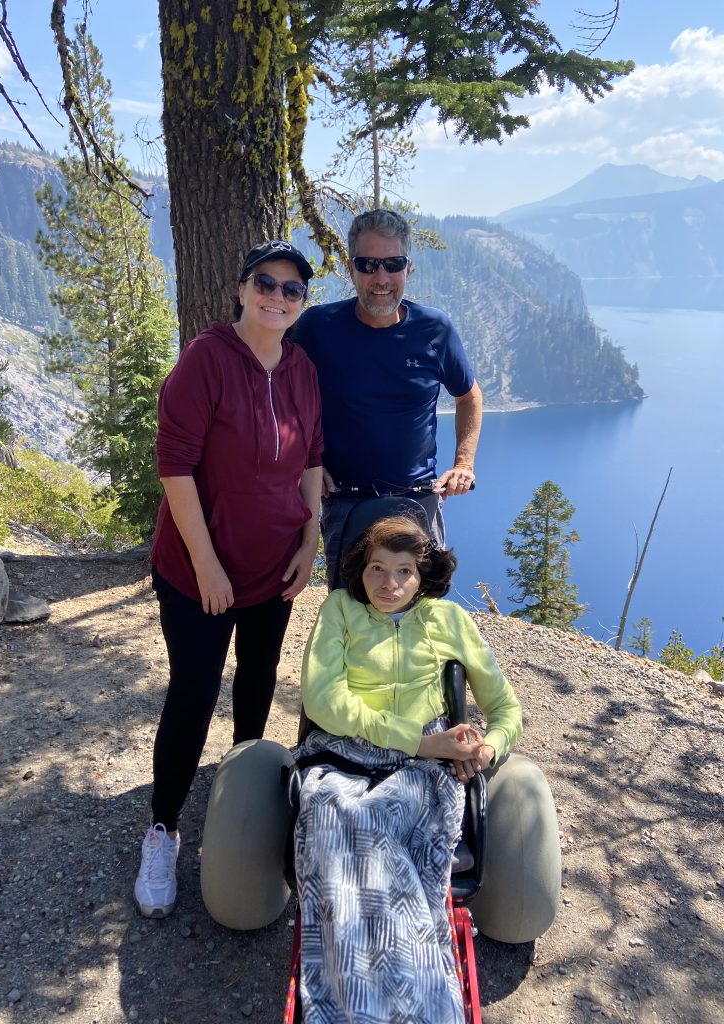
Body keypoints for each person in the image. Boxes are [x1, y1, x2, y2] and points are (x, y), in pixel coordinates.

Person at [134, 240, 323, 919]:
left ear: (303, 303)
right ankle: (163, 828)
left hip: (275, 564)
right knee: (192, 691)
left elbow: (312, 461)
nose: (278, 296)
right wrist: (207, 562)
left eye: (293, 289)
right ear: (242, 289)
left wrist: (311, 538)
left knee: (259, 679)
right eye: (266, 283)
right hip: (197, 573)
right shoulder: (206, 359)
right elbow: (175, 466)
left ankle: (242, 808)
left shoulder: (301, 368)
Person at [294, 515, 522, 1023]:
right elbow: (322, 699)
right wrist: (416, 741)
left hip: (426, 768)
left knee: (379, 844)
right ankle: (373, 1003)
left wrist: (488, 750)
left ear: (424, 576)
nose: (388, 584)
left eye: (403, 571)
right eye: (377, 569)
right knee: (334, 816)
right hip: (343, 752)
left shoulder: (450, 620)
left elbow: (507, 711)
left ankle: (400, 1004)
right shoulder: (340, 608)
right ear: (361, 569)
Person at [292, 208, 483, 586]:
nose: (381, 278)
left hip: (419, 501)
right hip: (346, 503)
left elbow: (469, 396)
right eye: (368, 264)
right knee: (351, 619)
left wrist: (464, 463)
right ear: (351, 269)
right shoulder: (318, 327)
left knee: (422, 622)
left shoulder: (434, 329)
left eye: (392, 264)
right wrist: (304, 460)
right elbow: (280, 395)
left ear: (408, 268)